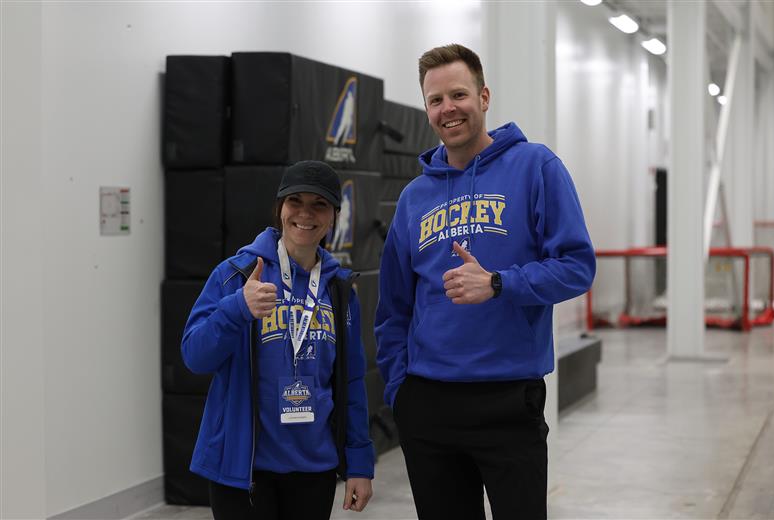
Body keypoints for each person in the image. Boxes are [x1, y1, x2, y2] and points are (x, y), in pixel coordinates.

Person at [375, 44, 596, 520]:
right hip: (428, 403)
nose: (447, 109)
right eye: (435, 100)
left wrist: (499, 283)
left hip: (508, 401)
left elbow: (577, 266)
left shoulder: (535, 167)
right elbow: (393, 307)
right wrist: (400, 390)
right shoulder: (414, 197)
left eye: (458, 94)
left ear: (484, 97)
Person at [182, 161, 374, 519]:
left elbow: (351, 382)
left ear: (334, 216)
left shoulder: (340, 289)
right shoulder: (236, 275)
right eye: (295, 201)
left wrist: (360, 462)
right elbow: (194, 356)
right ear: (279, 208)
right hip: (244, 470)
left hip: (314, 468)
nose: (305, 213)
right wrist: (237, 308)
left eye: (319, 204)